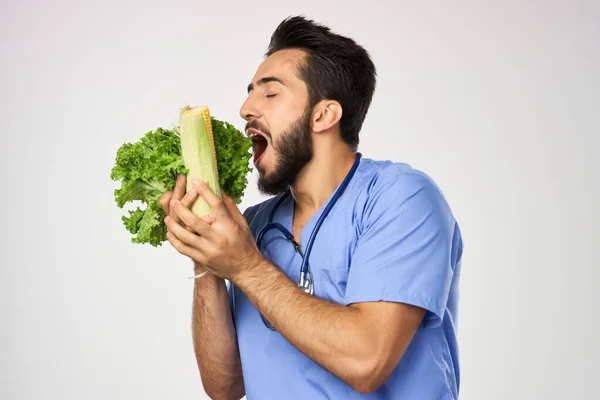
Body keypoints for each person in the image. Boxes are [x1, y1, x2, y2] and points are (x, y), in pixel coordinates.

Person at [159, 15, 463, 400]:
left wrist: (246, 266)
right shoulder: (255, 224)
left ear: (324, 115)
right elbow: (225, 386)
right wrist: (206, 257)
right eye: (250, 92)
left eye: (270, 94)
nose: (245, 109)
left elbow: (367, 361)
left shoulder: (401, 198)